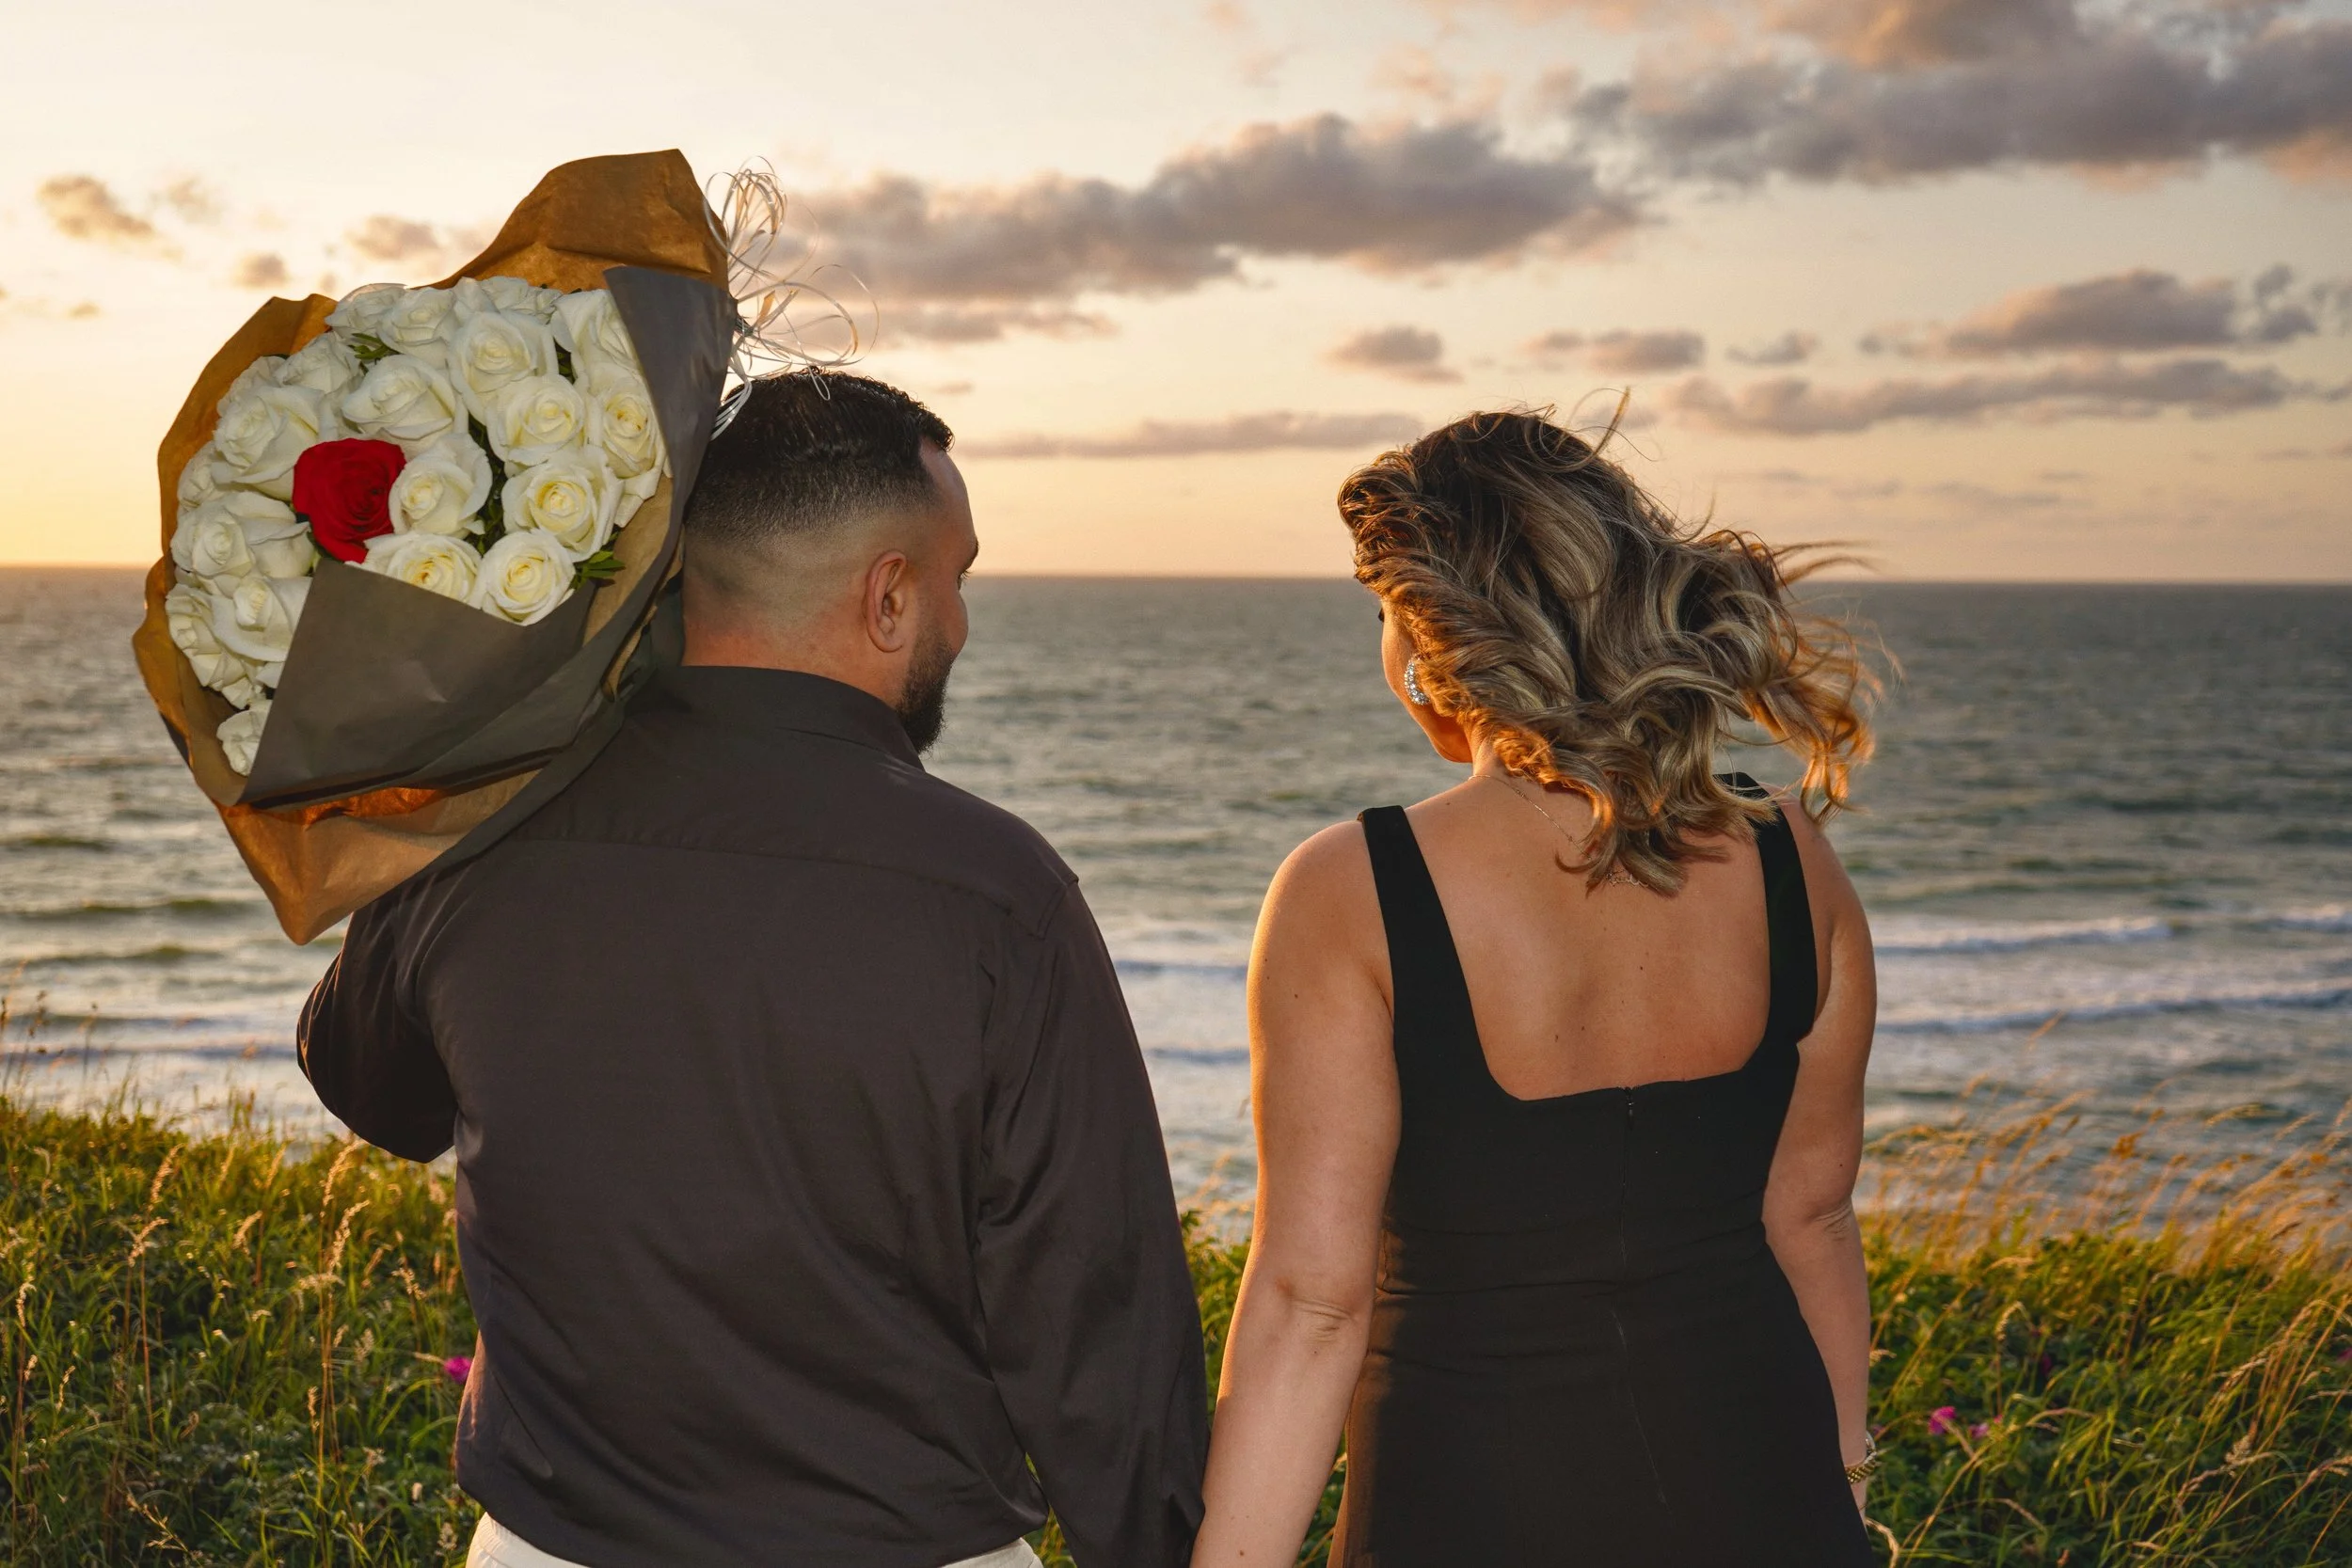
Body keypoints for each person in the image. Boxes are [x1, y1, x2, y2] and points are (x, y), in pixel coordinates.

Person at [300, 372, 1208, 1568]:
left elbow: (372, 1086)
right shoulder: (1000, 896)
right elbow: (1098, 1328)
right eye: (956, 578)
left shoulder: (485, 828)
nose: (962, 622)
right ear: (888, 595)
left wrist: (446, 782)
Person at [1190, 408, 1880, 1567]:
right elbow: (1809, 1216)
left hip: (1469, 1509)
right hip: (1764, 1487)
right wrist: (1844, 1490)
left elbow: (1313, 1305)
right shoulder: (1788, 853)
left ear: (1428, 639)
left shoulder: (1349, 889)